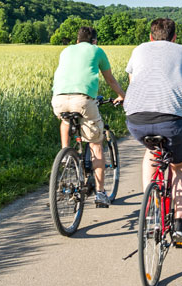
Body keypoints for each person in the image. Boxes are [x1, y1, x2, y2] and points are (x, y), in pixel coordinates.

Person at [123, 18, 182, 247]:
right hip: (171, 121)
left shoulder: (138, 50)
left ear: (151, 37)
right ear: (174, 37)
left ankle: (152, 210)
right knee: (179, 167)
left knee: (151, 154)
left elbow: (133, 82)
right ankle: (179, 225)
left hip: (136, 119)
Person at [51, 26, 126, 206]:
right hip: (83, 100)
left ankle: (66, 154)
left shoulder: (66, 50)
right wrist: (123, 95)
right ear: (94, 41)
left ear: (77, 40)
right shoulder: (97, 50)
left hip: (58, 100)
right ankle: (100, 193)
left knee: (65, 119)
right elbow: (110, 80)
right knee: (95, 143)